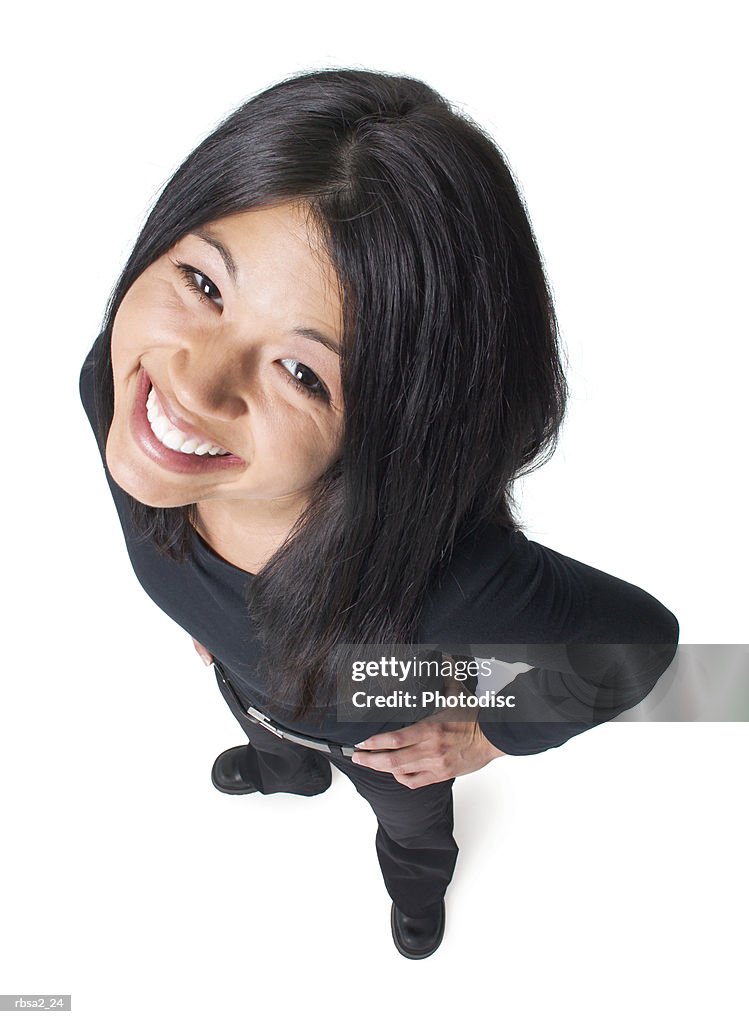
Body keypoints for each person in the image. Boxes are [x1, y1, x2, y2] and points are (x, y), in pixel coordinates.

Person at [78, 67, 680, 960]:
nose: (192, 383)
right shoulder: (122, 397)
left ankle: (418, 883)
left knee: (411, 825)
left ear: (400, 427)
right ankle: (283, 770)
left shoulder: (455, 585)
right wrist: (218, 626)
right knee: (266, 731)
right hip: (250, 688)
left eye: (303, 373)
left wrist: (484, 729)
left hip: (376, 711)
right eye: (204, 284)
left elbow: (655, 651)